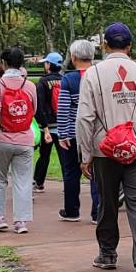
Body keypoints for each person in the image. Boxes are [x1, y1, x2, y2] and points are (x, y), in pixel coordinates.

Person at [76, 22, 136, 272]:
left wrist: (85, 154)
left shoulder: (93, 73)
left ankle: (108, 253)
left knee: (108, 201)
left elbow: (84, 118)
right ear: (129, 46)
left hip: (105, 149)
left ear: (104, 45)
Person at [0, 47, 38, 233]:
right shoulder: (30, 85)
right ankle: (21, 221)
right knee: (23, 180)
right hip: (25, 138)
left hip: (2, 137)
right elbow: (35, 110)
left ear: (4, 63)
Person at [55, 40, 98, 224]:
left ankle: (72, 210)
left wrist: (62, 133)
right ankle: (97, 212)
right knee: (96, 173)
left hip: (73, 133)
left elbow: (63, 109)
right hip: (95, 133)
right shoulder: (98, 76)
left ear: (73, 58)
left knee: (71, 172)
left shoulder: (69, 79)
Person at [33, 52, 64, 193]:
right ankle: (69, 183)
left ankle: (38, 182)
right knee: (65, 158)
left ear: (49, 65)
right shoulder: (65, 80)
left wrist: (43, 125)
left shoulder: (43, 82)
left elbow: (39, 105)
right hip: (63, 125)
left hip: (48, 126)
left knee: (44, 155)